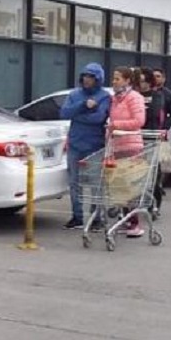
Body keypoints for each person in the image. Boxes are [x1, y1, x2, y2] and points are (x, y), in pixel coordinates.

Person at [59, 62, 111, 230]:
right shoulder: (75, 95)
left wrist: (77, 115)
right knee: (74, 182)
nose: (87, 80)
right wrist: (83, 107)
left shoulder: (104, 96)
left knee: (96, 182)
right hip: (75, 144)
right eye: (85, 76)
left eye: (91, 77)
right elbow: (64, 113)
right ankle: (77, 216)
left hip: (95, 144)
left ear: (98, 79)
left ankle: (96, 217)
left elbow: (99, 118)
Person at [107, 67, 147, 237]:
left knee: (130, 185)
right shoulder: (115, 99)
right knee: (120, 184)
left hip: (131, 146)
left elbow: (139, 121)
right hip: (117, 145)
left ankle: (135, 222)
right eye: (114, 78)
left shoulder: (134, 98)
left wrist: (117, 126)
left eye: (117, 78)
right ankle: (126, 218)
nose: (114, 81)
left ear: (127, 80)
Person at [143, 67, 171, 214]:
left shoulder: (166, 95)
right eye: (154, 76)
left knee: (155, 172)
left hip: (157, 134)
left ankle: (155, 204)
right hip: (140, 135)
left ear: (163, 78)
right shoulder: (139, 94)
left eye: (159, 76)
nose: (156, 78)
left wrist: (165, 127)